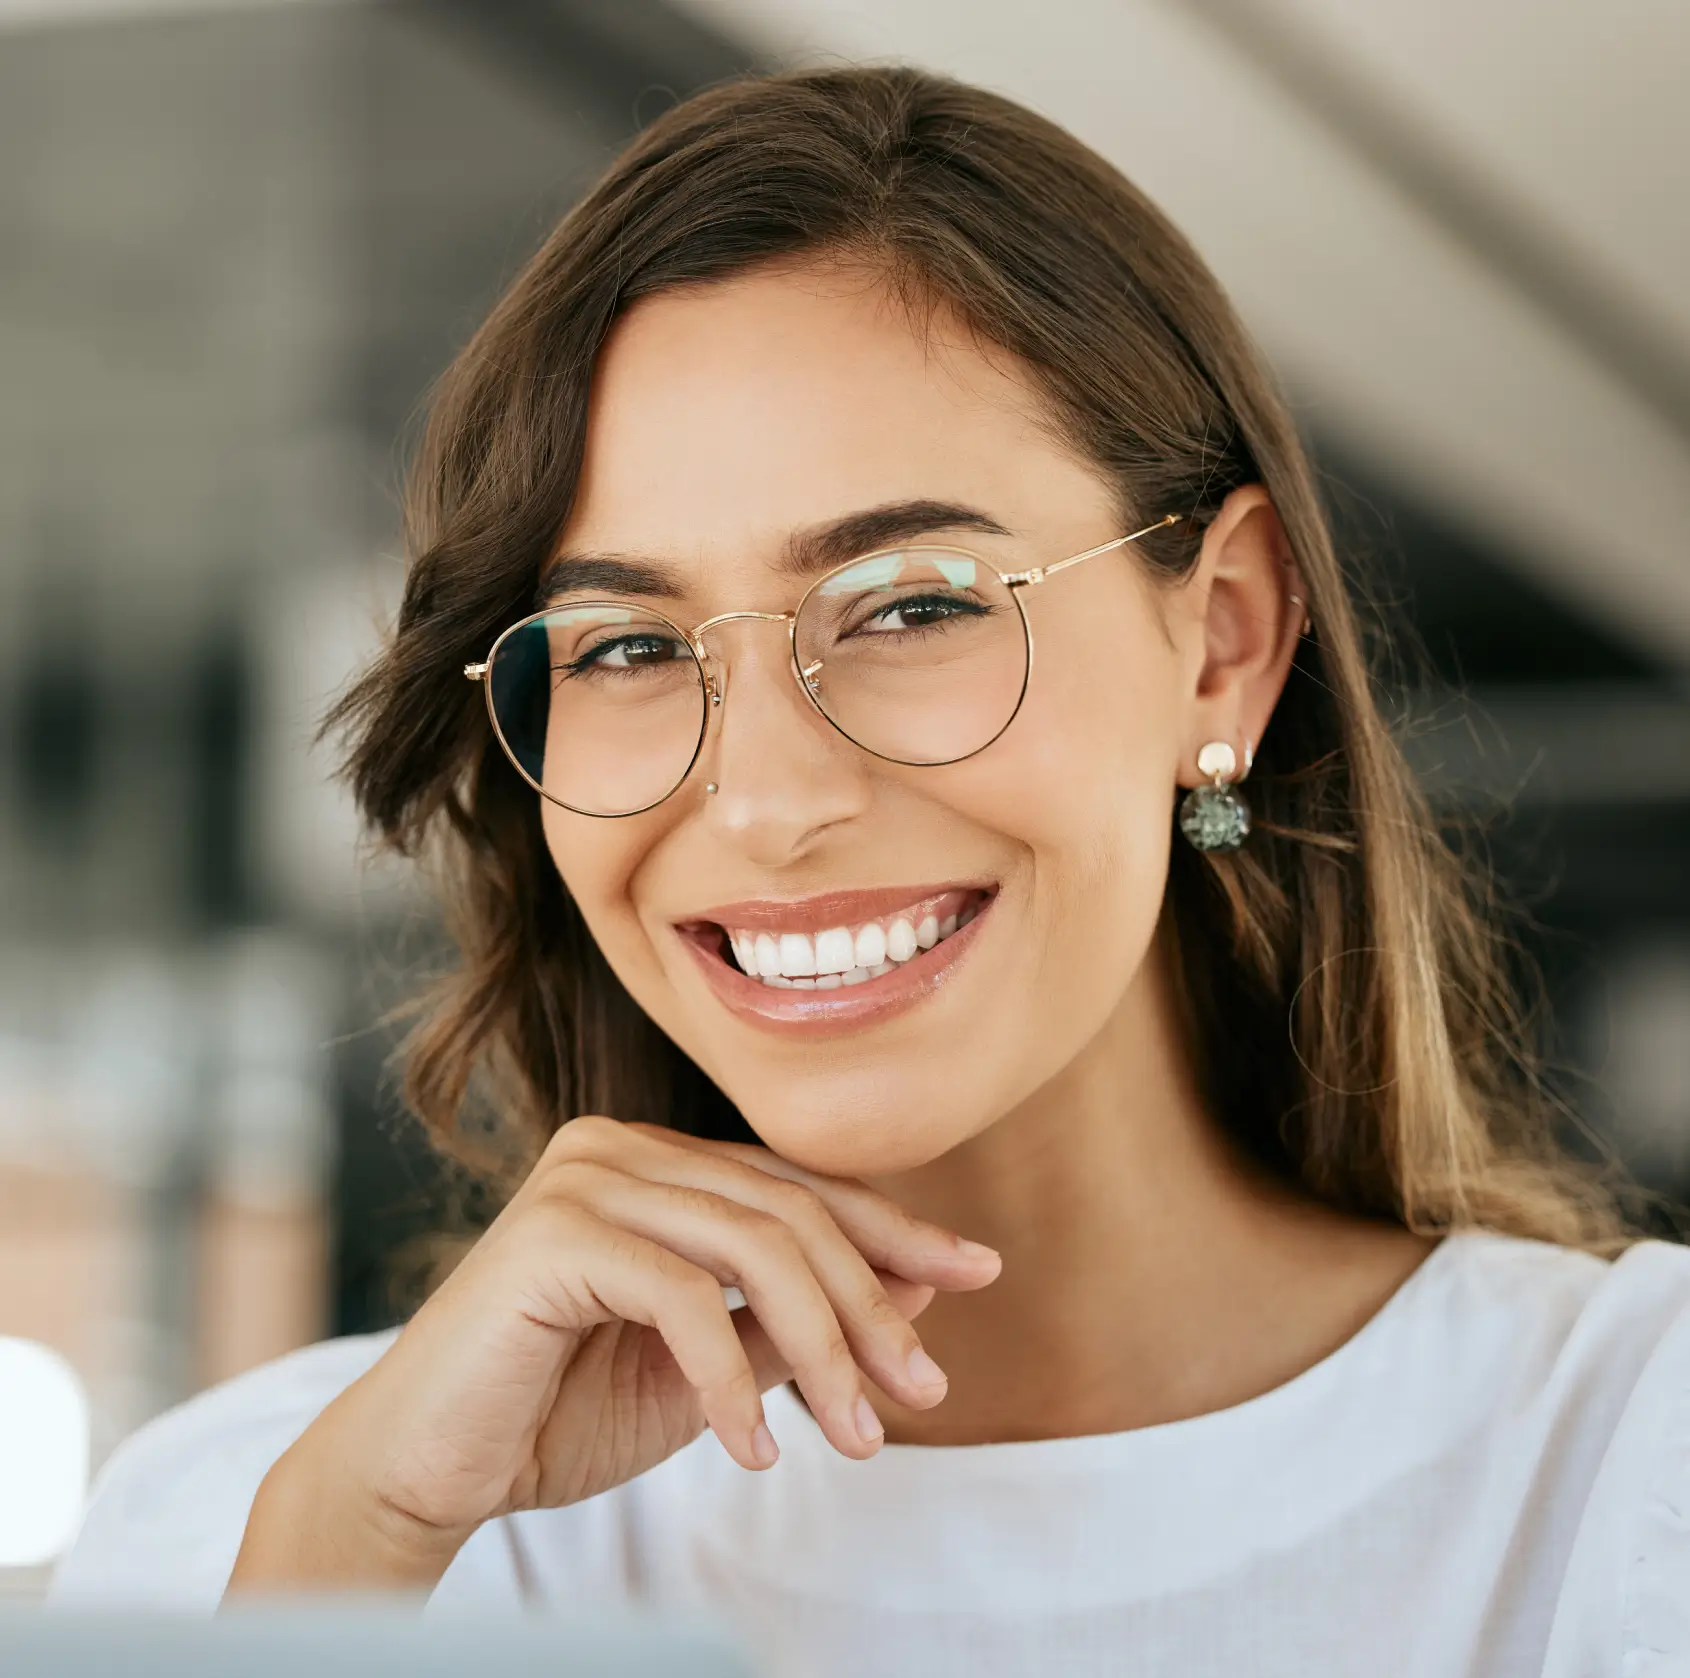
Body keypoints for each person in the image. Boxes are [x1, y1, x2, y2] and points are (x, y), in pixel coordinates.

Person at [50, 66, 1690, 1677]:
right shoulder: (285, 1520)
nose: (762, 800)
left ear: (1224, 641)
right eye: (625, 643)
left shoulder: (1626, 1466)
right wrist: (344, 1563)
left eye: (911, 605)